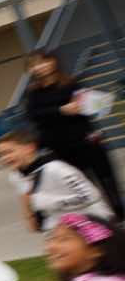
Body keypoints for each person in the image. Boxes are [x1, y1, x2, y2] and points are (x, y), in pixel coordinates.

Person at [24, 49, 124, 215]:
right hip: (58, 145)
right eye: (34, 65)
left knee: (106, 178)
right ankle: (98, 217)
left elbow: (95, 107)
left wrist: (92, 105)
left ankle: (119, 213)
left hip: (85, 139)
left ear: (53, 62)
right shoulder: (33, 93)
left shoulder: (72, 84)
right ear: (30, 70)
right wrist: (61, 110)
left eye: (43, 62)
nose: (40, 67)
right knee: (81, 184)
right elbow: (33, 116)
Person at [0, 128, 113, 231]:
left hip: (92, 222)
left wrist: (52, 203)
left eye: (9, 152)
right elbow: (25, 193)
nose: (5, 158)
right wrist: (29, 217)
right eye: (1, 155)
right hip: (60, 226)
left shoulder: (56, 168)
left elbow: (90, 196)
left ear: (29, 148)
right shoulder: (15, 175)